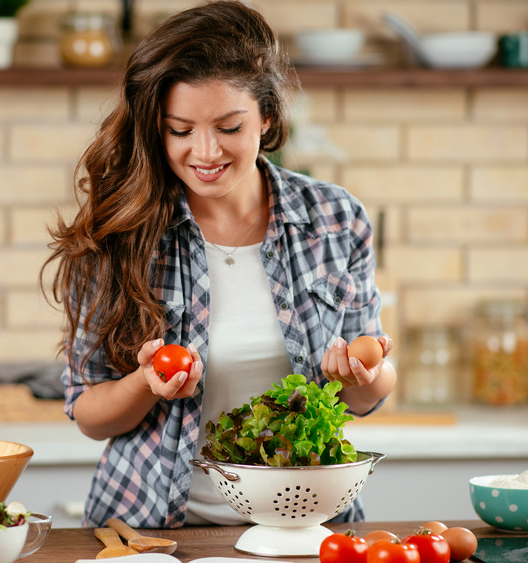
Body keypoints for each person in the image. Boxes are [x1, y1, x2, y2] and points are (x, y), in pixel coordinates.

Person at [42, 0, 397, 529]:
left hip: (306, 527)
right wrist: (145, 382)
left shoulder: (333, 216)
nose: (204, 152)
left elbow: (369, 392)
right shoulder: (121, 232)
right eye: (179, 131)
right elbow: (89, 414)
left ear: (268, 116)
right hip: (152, 531)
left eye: (229, 127)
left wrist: (363, 375)